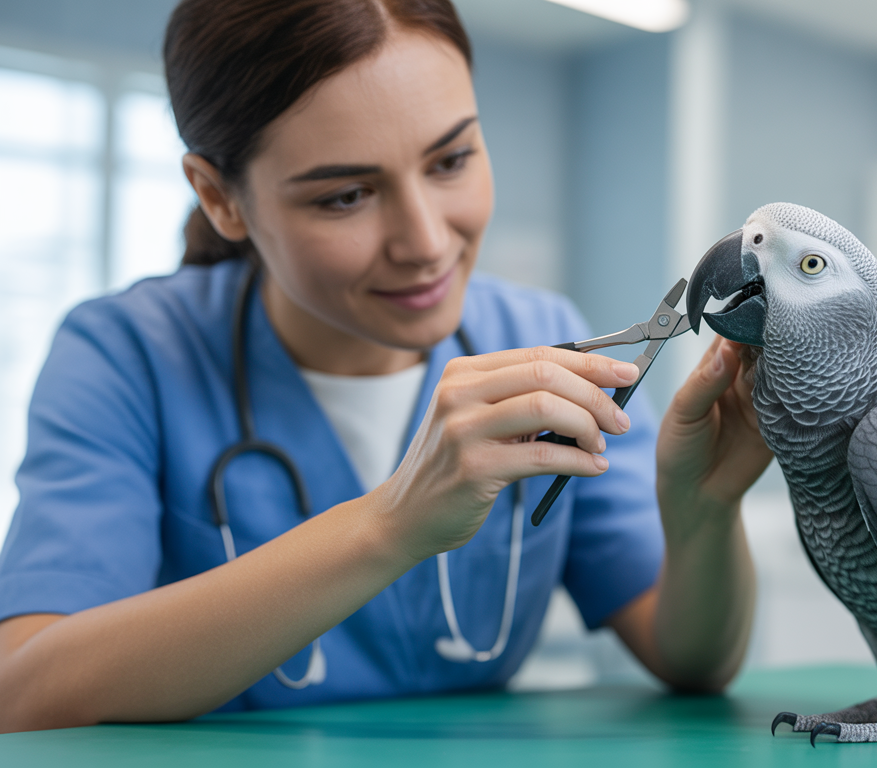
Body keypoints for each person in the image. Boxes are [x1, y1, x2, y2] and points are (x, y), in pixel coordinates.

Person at [0, 0, 771, 733]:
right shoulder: (126, 355)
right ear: (219, 197)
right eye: (345, 196)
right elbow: (27, 695)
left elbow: (691, 659)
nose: (427, 242)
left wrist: (706, 507)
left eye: (452, 159)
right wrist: (390, 525)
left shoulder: (543, 336)